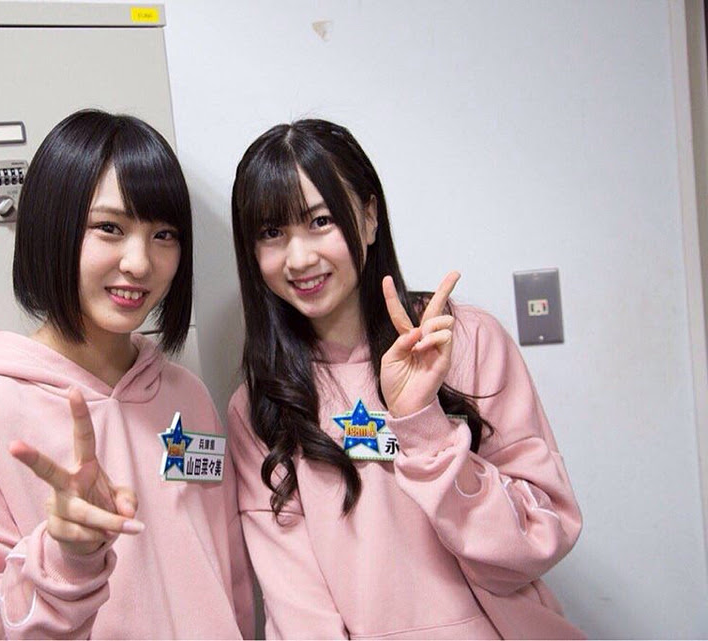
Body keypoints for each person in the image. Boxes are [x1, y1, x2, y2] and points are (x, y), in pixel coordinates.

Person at [227, 118, 583, 639]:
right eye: (271, 233)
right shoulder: (260, 405)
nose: (299, 258)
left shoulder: (464, 341)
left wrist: (424, 425)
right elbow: (300, 610)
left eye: (321, 221)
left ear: (369, 217)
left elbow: (538, 539)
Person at [0, 109, 253, 639]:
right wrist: (65, 558)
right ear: (53, 227)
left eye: (164, 234)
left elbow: (228, 575)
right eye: (109, 228)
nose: (139, 263)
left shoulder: (187, 396)